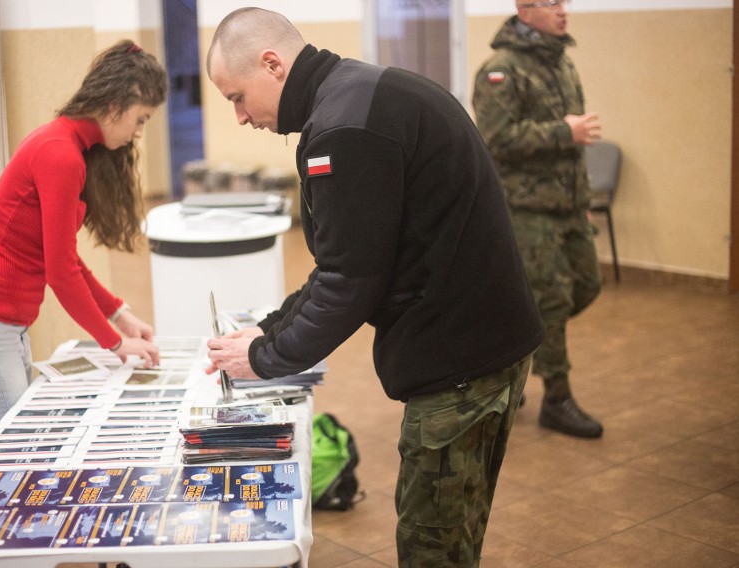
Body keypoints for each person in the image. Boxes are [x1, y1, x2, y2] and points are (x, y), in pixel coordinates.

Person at [204, 8, 544, 567]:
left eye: (237, 97)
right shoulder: (353, 91)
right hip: (485, 341)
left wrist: (265, 359)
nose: (239, 116)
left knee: (432, 550)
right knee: (457, 537)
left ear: (273, 64)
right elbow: (348, 262)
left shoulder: (343, 130)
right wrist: (269, 329)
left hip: (461, 363)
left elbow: (349, 283)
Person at [0, 40, 166, 438]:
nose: (138, 134)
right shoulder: (61, 154)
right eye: (141, 119)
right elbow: (60, 273)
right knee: (13, 453)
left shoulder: (69, 146)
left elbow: (65, 259)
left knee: (1, 449)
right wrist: (114, 343)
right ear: (114, 106)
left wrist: (120, 314)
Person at [472, 0, 604, 438]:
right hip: (526, 209)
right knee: (549, 303)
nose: (562, 10)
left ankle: (511, 363)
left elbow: (574, 149)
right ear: (525, 11)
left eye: (564, 2)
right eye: (551, 3)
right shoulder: (502, 69)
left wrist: (580, 196)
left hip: (567, 206)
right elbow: (496, 138)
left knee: (586, 285)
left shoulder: (562, 63)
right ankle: (558, 398)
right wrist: (563, 131)